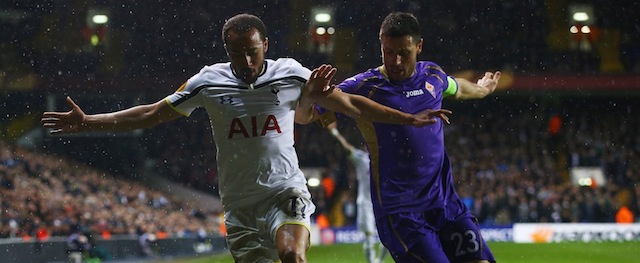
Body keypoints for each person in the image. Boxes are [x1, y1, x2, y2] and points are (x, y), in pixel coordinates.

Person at [41, 13, 450, 263]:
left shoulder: (291, 71)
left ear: (265, 45)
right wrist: (90, 121)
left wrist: (406, 119)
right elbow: (151, 114)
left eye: (253, 51)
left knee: (293, 254)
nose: (247, 61)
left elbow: (354, 106)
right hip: (238, 205)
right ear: (227, 50)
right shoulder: (208, 81)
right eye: (238, 53)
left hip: (283, 191)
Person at [312, 12, 501, 263]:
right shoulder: (364, 86)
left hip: (446, 203)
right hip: (400, 212)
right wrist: (314, 99)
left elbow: (456, 87)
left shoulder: (432, 75)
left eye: (404, 52)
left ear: (419, 46)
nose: (396, 60)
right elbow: (315, 108)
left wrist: (482, 90)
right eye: (388, 51)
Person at [327, 122, 388, 263]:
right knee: (369, 236)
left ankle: (380, 260)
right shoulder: (361, 158)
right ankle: (372, 261)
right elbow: (347, 148)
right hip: (366, 203)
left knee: (389, 237)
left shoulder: (384, 161)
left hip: (382, 202)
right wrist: (335, 132)